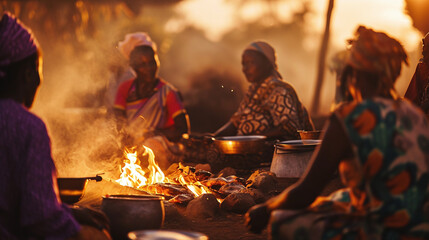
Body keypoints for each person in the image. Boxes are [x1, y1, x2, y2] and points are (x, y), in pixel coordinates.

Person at [245, 26, 429, 239]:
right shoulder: (414, 114)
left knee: (282, 220)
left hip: (383, 230)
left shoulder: (349, 118)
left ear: (353, 71)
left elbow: (306, 192)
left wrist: (266, 209)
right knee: (342, 196)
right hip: (420, 224)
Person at [0, 11, 110, 240]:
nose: (40, 80)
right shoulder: (28, 127)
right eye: (39, 70)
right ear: (28, 74)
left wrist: (71, 211)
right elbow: (40, 220)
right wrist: (77, 228)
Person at [114, 32, 190, 169]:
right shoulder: (125, 88)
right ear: (134, 67)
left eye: (152, 62)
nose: (149, 68)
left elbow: (183, 129)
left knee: (150, 146)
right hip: (132, 141)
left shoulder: (168, 92)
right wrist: (125, 137)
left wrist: (153, 133)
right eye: (143, 64)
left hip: (160, 144)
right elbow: (117, 120)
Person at [214, 41, 314, 140]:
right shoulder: (252, 91)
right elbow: (235, 122)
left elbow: (289, 128)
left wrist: (253, 140)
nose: (245, 69)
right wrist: (213, 137)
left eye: (251, 62)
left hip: (273, 152)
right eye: (243, 64)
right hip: (247, 149)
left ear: (267, 64)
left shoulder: (279, 91)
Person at [404, 32, 429, 116]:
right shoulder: (422, 70)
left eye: (426, 46)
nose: (423, 51)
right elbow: (410, 102)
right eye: (423, 46)